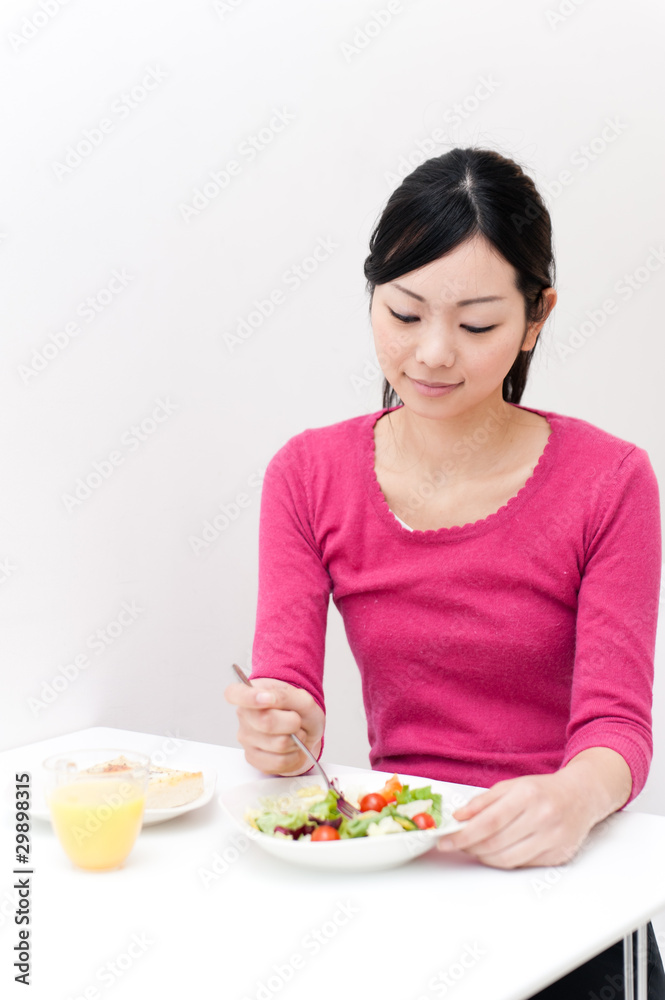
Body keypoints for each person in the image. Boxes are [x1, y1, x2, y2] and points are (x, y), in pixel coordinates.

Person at [225, 147, 664, 997]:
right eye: (402, 312)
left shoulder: (610, 482)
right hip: (400, 859)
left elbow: (618, 728)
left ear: (536, 318)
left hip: (567, 873)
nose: (430, 354)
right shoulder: (307, 474)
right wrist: (280, 732)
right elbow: (285, 702)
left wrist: (571, 800)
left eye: (474, 326)